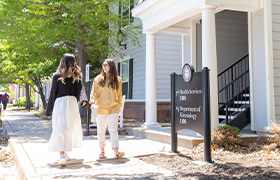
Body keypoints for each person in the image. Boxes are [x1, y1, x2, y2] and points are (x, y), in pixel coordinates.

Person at [46, 53, 87, 166]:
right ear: (69, 62)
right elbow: (53, 93)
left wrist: (83, 99)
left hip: (72, 105)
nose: (75, 63)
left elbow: (81, 89)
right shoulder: (57, 76)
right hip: (60, 105)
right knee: (60, 128)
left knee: (69, 128)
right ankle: (61, 154)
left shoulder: (76, 76)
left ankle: (64, 151)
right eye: (74, 61)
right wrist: (49, 110)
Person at [90, 59, 125, 159]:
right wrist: (92, 102)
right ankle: (102, 151)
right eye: (103, 65)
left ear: (111, 66)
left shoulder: (118, 80)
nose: (104, 67)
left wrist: (119, 106)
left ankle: (116, 151)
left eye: (106, 65)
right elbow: (93, 93)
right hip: (100, 108)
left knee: (113, 130)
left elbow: (119, 94)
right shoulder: (98, 79)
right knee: (101, 130)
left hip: (113, 108)